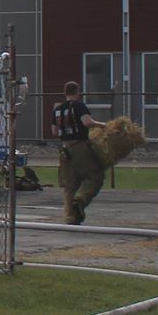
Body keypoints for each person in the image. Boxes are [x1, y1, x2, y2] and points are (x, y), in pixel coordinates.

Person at [52, 80, 104, 225]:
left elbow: (54, 131)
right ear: (77, 91)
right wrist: (102, 125)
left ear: (65, 92)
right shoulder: (79, 106)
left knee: (70, 185)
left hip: (64, 149)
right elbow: (87, 122)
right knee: (95, 177)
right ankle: (80, 200)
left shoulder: (57, 109)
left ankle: (70, 217)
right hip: (79, 146)